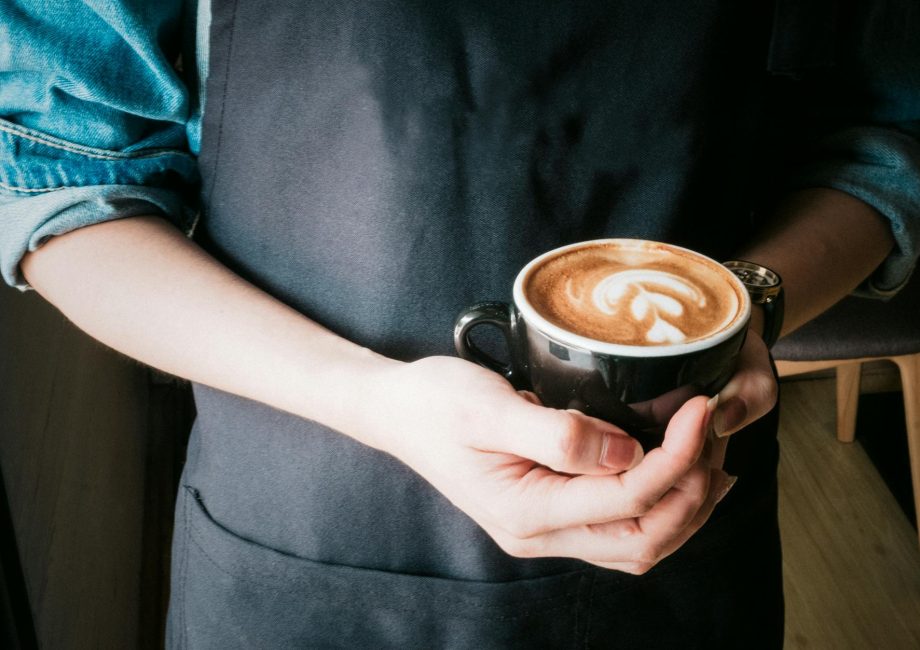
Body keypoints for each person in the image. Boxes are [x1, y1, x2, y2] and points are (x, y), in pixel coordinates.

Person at [2, 1, 918, 647]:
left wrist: (749, 302)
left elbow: (887, 134)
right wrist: (372, 399)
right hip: (305, 526)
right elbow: (60, 179)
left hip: (677, 526)